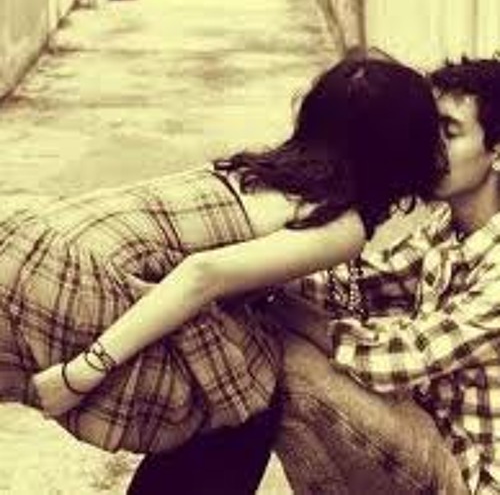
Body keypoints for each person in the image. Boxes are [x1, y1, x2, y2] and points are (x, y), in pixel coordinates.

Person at [6, 50, 439, 493]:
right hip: (75, 285)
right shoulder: (340, 225)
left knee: (241, 374)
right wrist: (83, 371)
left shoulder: (256, 170)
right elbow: (202, 274)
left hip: (31, 240)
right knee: (246, 398)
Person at [270, 56, 500, 494]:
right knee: (259, 334)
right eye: (429, 128)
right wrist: (259, 270)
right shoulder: (448, 225)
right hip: (430, 431)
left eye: (449, 132)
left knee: (293, 368)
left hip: (470, 476)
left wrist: (288, 311)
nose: (429, 146)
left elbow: (400, 358)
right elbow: (362, 282)